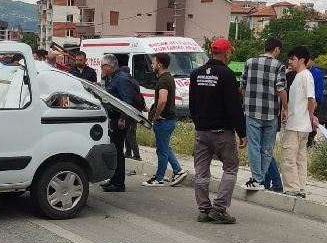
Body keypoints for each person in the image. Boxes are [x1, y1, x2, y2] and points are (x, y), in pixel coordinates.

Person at [189, 37, 246, 224]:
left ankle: (204, 209)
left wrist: (199, 124)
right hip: (222, 133)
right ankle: (219, 209)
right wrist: (242, 132)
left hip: (202, 132)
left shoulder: (196, 74)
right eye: (230, 52)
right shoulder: (227, 74)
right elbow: (234, 107)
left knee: (201, 172)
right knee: (230, 168)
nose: (230, 55)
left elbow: (192, 105)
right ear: (225, 53)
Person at [240, 37, 288, 191]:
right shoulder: (279, 65)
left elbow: (242, 86)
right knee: (267, 149)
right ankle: (259, 180)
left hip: (252, 111)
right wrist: (285, 109)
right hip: (271, 112)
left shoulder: (249, 62)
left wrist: (247, 101)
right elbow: (281, 89)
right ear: (277, 50)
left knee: (254, 146)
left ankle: (258, 179)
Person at [143, 53, 188, 187]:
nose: (151, 65)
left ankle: (159, 178)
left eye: (153, 63)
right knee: (165, 148)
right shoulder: (169, 78)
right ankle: (178, 171)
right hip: (169, 119)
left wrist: (156, 115)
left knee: (161, 151)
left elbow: (162, 100)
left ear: (159, 65)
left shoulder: (163, 80)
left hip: (164, 120)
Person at [281, 46, 319, 198]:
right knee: (299, 158)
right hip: (298, 123)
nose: (289, 62)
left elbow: (312, 99)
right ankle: (300, 187)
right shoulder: (297, 76)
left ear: (302, 60)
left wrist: (310, 115)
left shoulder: (305, 76)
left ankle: (292, 188)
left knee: (289, 157)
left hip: (298, 124)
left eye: (293, 59)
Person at [100, 54, 136, 192]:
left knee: (118, 152)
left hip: (119, 120)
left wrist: (122, 118)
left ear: (109, 66)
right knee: (114, 152)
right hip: (113, 119)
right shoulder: (112, 78)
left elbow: (126, 101)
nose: (101, 69)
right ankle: (114, 179)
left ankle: (119, 183)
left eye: (103, 66)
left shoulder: (121, 79)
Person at [307, 60, 325, 147]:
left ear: (311, 61)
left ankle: (310, 142)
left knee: (312, 123)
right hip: (306, 103)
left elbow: (320, 88)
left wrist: (317, 101)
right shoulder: (302, 72)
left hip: (314, 102)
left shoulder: (316, 72)